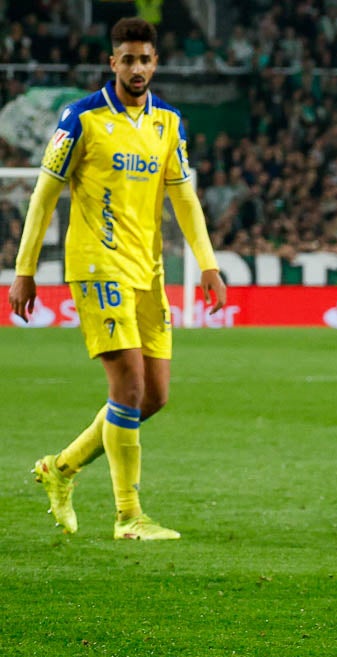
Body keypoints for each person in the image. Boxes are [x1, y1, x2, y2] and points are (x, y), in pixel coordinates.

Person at [7, 17, 226, 540]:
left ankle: (60, 468)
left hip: (147, 271)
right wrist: (25, 270)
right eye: (127, 59)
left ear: (155, 62)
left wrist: (209, 263)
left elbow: (185, 199)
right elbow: (43, 196)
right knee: (127, 386)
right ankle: (129, 516)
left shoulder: (168, 123)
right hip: (95, 265)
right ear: (113, 63)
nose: (136, 68)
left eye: (145, 59)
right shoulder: (80, 119)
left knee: (154, 396)